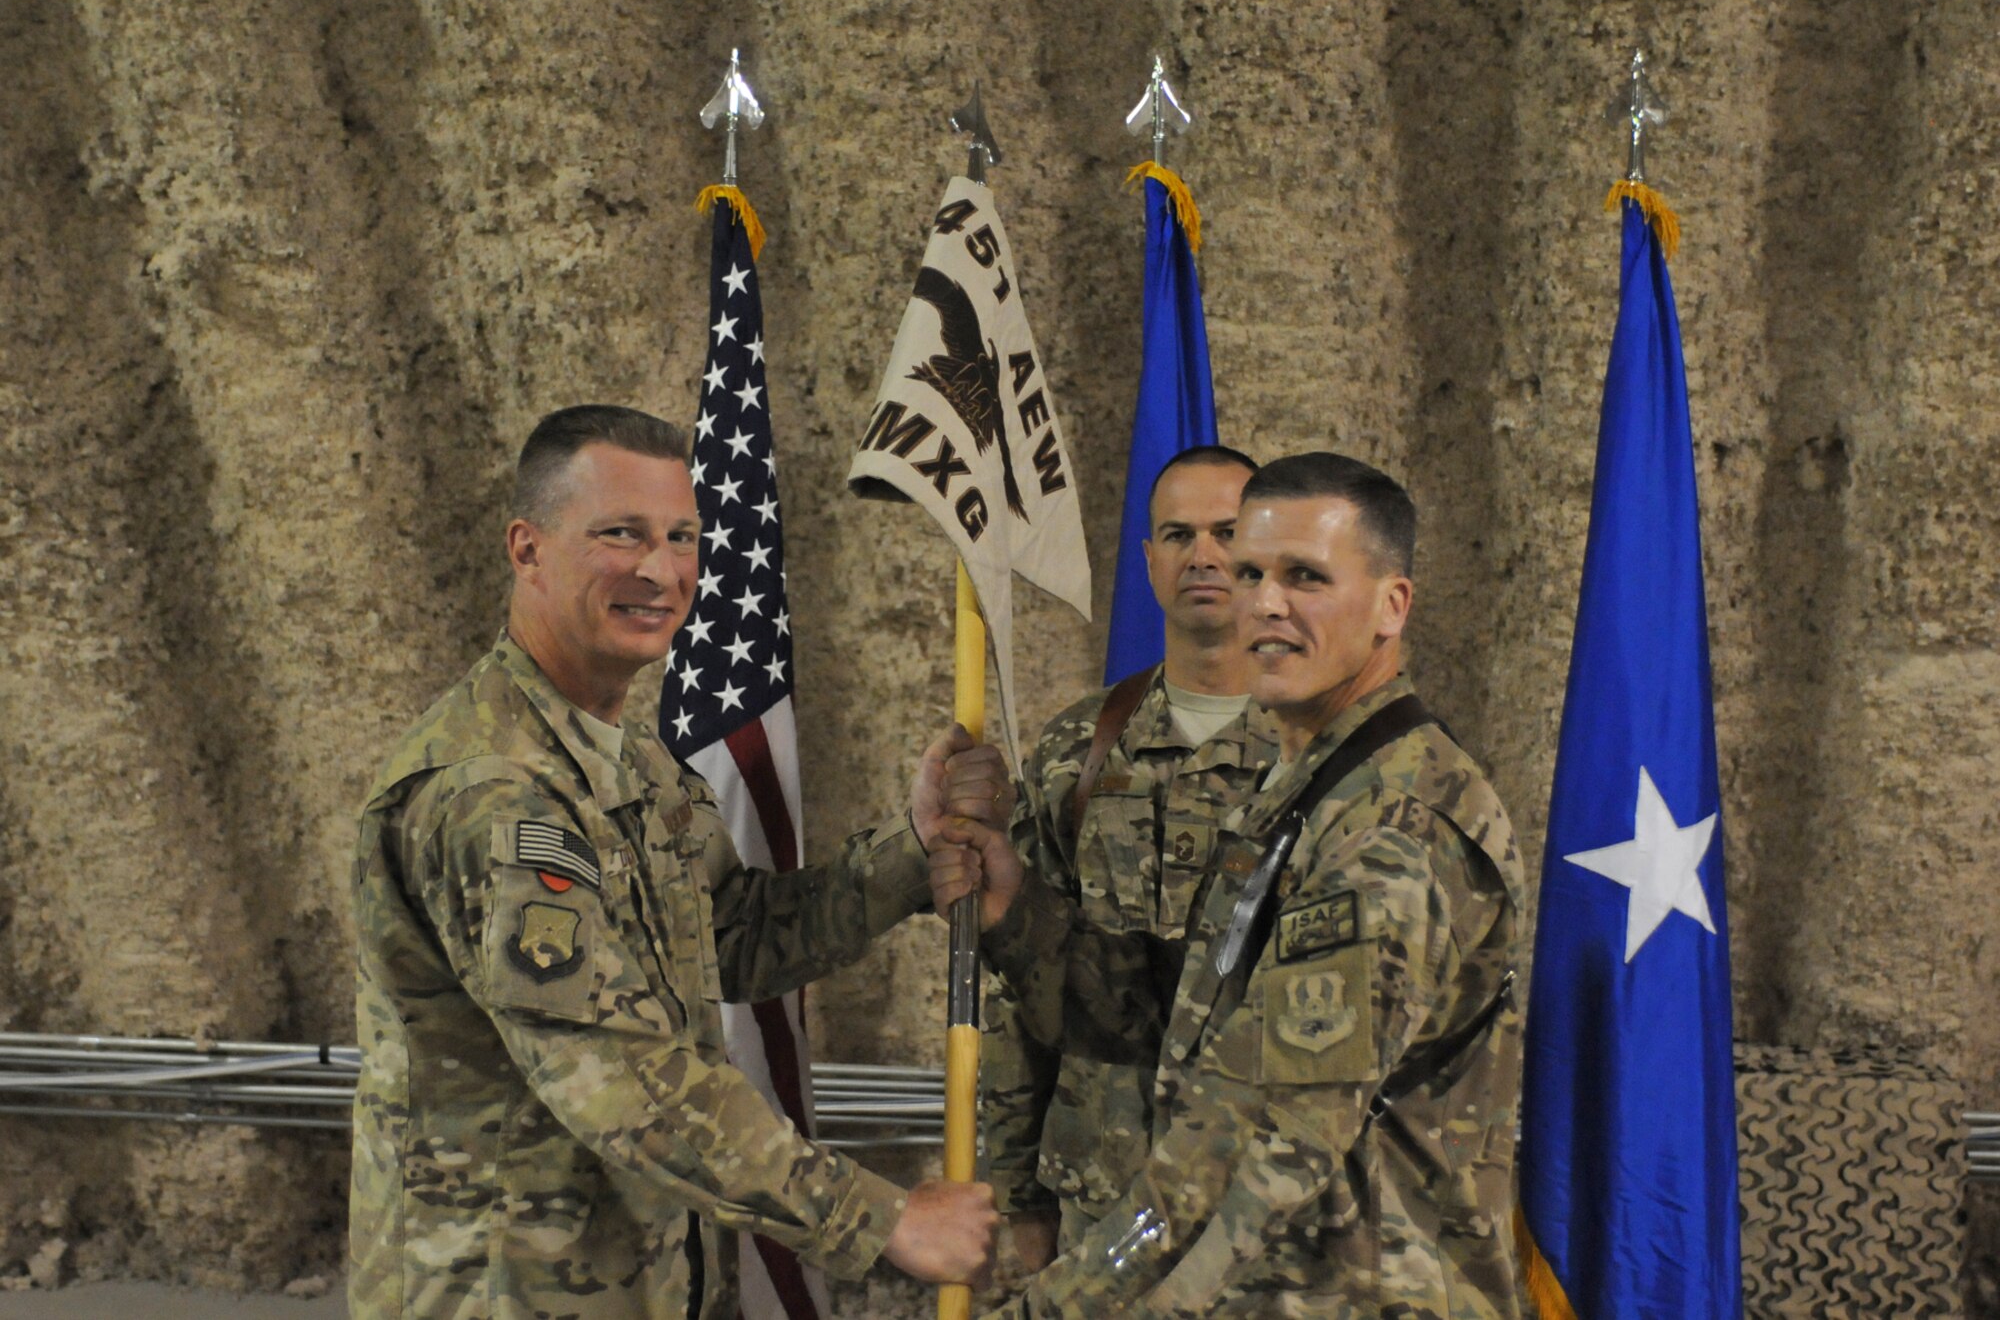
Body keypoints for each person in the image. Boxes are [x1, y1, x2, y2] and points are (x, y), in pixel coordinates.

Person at [350, 405, 1002, 1319]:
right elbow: (618, 1074)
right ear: (527, 548)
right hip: (510, 1291)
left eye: (681, 537)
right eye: (621, 535)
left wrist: (911, 852)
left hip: (643, 1276)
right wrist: (881, 1217)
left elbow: (730, 937)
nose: (660, 571)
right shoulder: (494, 794)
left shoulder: (625, 755)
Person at [934, 451, 1526, 1316]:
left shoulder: (1390, 830)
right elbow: (1195, 1033)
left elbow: (1264, 1136)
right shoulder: (1309, 787)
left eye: (1306, 577)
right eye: (1251, 573)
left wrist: (1055, 1307)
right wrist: (1020, 916)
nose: (1265, 603)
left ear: (1392, 605)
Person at [981, 445, 1278, 1270]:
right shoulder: (1081, 748)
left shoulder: (1319, 753)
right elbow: (1018, 985)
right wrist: (1014, 1196)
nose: (1204, 555)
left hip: (1264, 1211)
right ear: (1149, 562)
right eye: (1178, 534)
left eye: (1227, 532)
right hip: (1100, 1202)